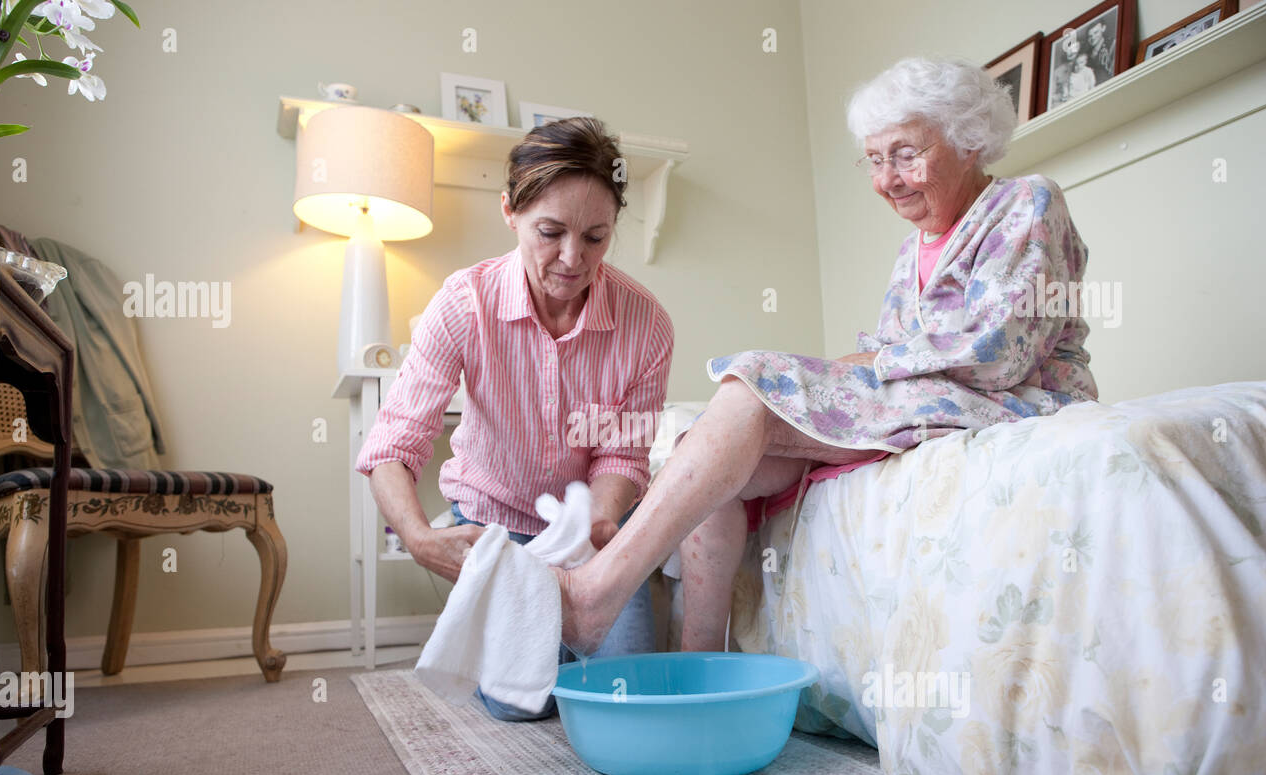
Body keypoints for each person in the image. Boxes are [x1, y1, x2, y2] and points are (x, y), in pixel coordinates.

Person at [555, 56, 1098, 653]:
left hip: (1015, 402)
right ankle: (701, 662)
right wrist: (851, 368)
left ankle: (595, 593)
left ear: (969, 140)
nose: (887, 178)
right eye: (874, 158)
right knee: (707, 460)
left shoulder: (1027, 203)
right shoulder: (912, 246)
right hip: (931, 404)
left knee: (754, 383)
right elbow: (887, 353)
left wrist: (856, 369)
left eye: (906, 153)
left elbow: (998, 353)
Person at [357, 117, 675, 719]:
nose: (572, 259)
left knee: (622, 696)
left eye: (596, 237)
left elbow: (623, 453)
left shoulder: (646, 323)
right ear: (510, 211)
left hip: (594, 532)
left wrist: (600, 523)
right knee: (519, 706)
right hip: (498, 528)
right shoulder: (463, 303)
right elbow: (395, 443)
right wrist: (422, 541)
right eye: (550, 232)